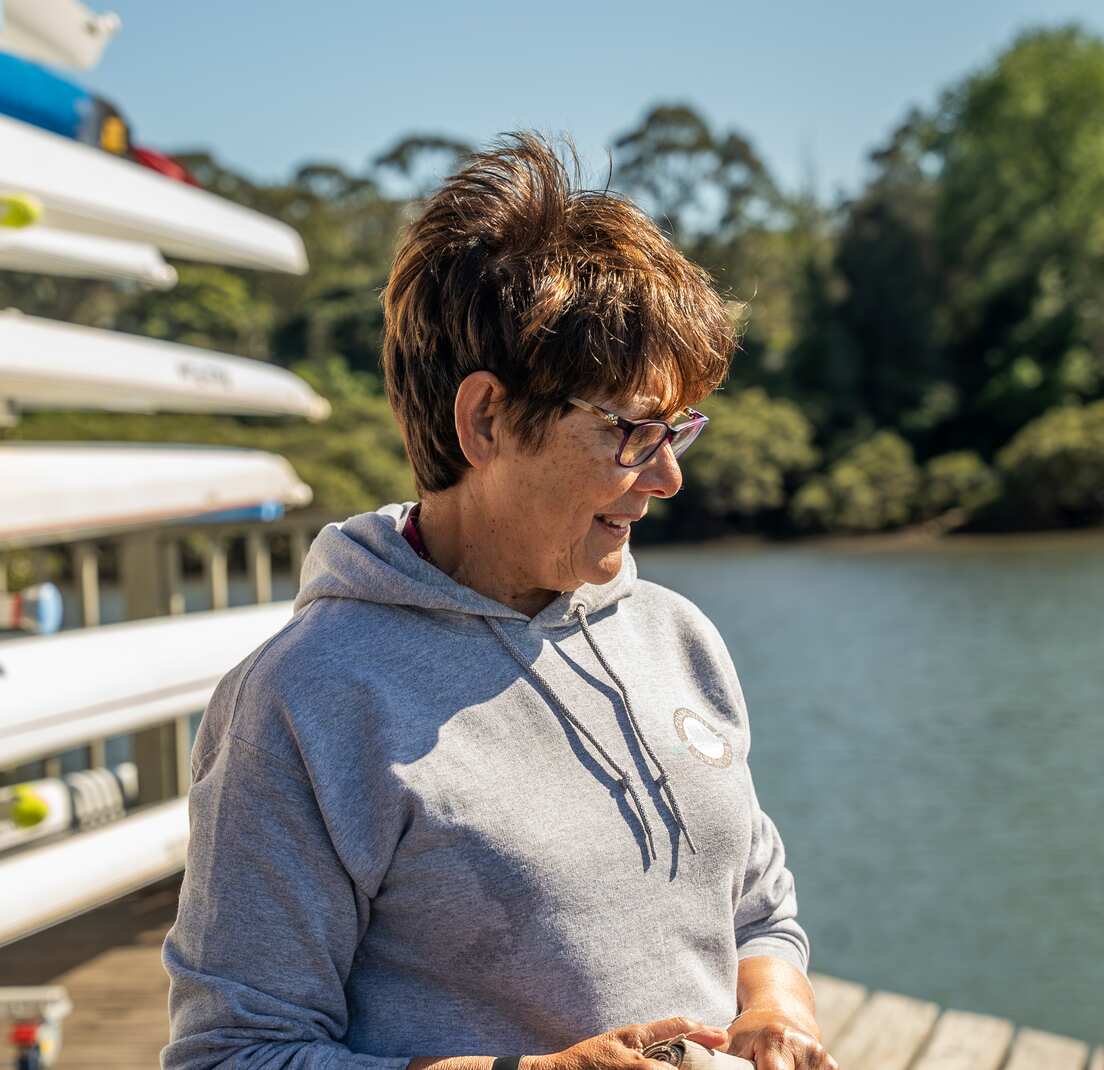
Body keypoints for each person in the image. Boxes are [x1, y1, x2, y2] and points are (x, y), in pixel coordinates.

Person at [162, 132, 835, 1070]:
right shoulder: (302, 700)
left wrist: (776, 1005)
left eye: (680, 428)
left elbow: (759, 905)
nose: (672, 476)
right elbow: (232, 1055)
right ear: (485, 418)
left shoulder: (678, 638)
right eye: (636, 430)